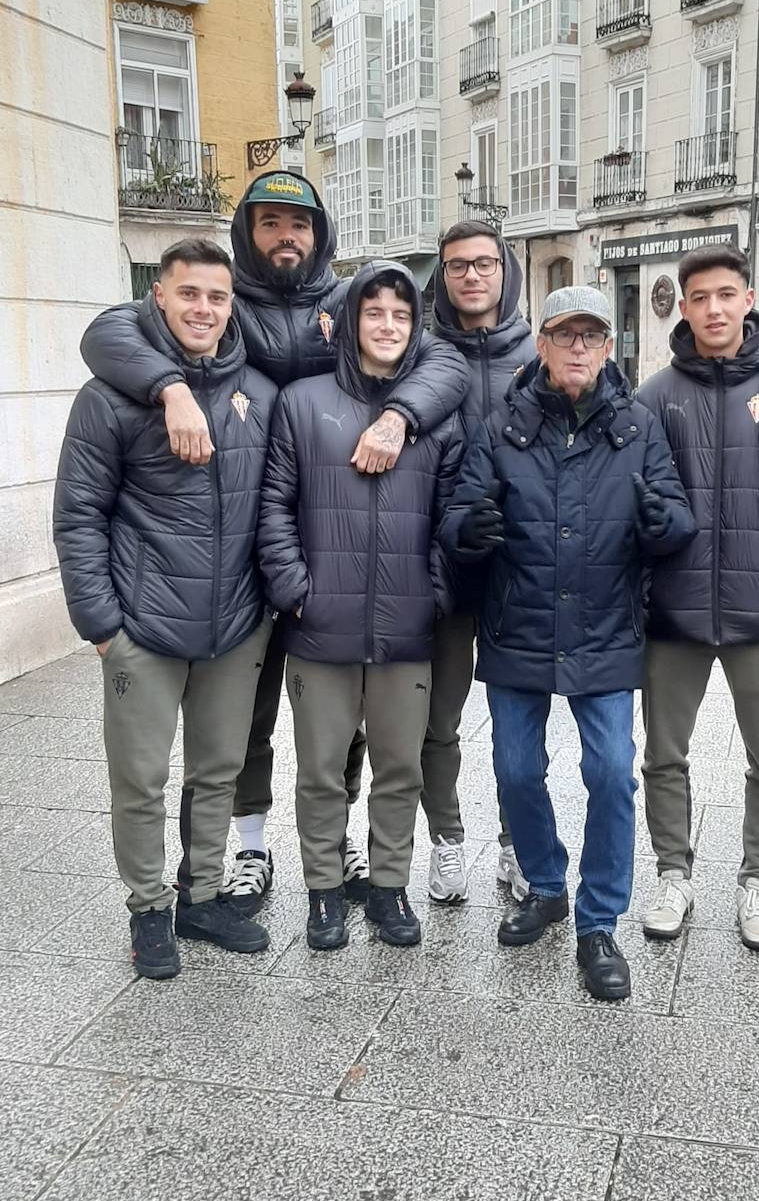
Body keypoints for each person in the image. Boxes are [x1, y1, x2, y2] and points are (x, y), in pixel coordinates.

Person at [78, 172, 469, 912]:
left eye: (299, 223)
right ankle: (250, 844)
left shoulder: (344, 300)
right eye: (269, 223)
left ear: (319, 233)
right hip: (255, 547)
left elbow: (439, 358)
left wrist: (400, 417)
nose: (285, 236)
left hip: (346, 552)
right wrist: (170, 385)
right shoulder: (222, 299)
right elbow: (105, 332)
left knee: (348, 718)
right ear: (246, 233)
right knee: (246, 719)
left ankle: (340, 835)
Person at [440, 287, 694, 1000]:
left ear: (608, 347)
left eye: (591, 336)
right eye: (563, 335)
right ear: (542, 346)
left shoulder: (638, 425)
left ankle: (597, 921)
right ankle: (546, 884)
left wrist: (660, 524)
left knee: (611, 771)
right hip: (518, 621)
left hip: (606, 626)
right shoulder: (502, 426)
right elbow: (458, 511)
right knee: (517, 769)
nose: (577, 347)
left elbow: (677, 519)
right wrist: (467, 532)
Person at [53, 239, 276, 980]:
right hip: (143, 625)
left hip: (235, 624)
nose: (203, 310)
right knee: (140, 779)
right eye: (189, 295)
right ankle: (148, 909)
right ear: (159, 297)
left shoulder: (258, 393)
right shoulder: (109, 397)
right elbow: (79, 514)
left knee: (217, 770)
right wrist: (101, 625)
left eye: (216, 297)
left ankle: (201, 895)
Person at [636, 245, 759, 951]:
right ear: (684, 306)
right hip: (672, 615)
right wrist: (644, 591)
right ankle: (672, 874)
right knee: (662, 754)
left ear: (748, 297)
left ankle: (758, 882)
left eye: (726, 294)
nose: (714, 309)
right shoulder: (653, 398)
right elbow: (631, 507)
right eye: (700, 297)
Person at [259, 263, 463, 950]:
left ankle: (388, 887)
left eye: (400, 316)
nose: (386, 325)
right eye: (372, 312)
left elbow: (451, 512)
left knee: (399, 767)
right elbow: (274, 507)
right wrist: (295, 591)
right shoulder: (302, 401)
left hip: (406, 627)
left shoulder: (430, 413)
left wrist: (433, 591)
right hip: (319, 626)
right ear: (348, 322)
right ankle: (322, 891)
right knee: (320, 769)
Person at [422, 220, 537, 905]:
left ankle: (514, 842)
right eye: (457, 266)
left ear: (505, 272)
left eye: (484, 264)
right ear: (442, 277)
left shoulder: (541, 350)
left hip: (517, 570)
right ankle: (446, 841)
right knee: (439, 719)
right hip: (438, 567)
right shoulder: (421, 353)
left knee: (516, 720)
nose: (471, 276)